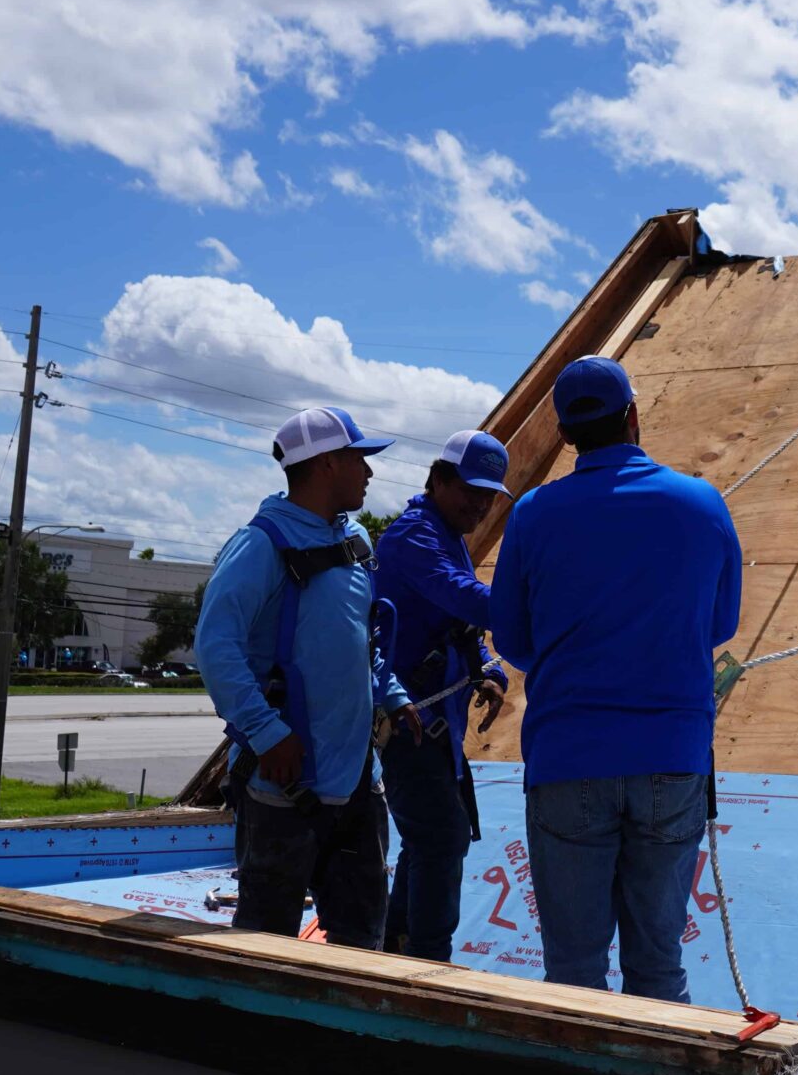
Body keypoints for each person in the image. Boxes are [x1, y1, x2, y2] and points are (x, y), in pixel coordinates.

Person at [490, 356, 743, 1002]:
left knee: (573, 972)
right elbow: (720, 623)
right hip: (671, 757)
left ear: (568, 433)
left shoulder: (533, 513)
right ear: (632, 414)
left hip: (567, 760)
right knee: (659, 966)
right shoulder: (699, 501)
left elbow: (513, 642)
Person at [196, 406, 412, 945]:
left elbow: (363, 643)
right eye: (359, 459)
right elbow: (215, 647)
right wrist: (267, 732)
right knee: (265, 944)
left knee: (363, 943)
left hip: (359, 782)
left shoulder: (354, 540)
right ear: (326, 465)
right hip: (283, 788)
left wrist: (392, 694)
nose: (369, 472)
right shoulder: (261, 545)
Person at [372, 429, 513, 962]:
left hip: (435, 722)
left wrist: (490, 667)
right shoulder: (413, 536)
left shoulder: (446, 535)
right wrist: (543, 604)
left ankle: (398, 944)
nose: (479, 504)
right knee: (442, 836)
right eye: (469, 490)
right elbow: (464, 597)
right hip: (407, 718)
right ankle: (428, 959)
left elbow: (458, 623)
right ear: (437, 480)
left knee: (431, 837)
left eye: (488, 495)